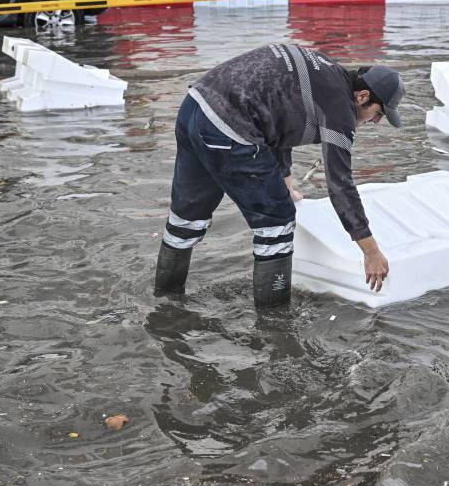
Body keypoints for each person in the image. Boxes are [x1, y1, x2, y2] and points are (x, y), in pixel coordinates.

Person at [155, 44, 405, 307]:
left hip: (194, 107)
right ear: (362, 96)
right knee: (277, 222)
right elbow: (340, 185)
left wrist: (285, 181)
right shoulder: (340, 108)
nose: (375, 122)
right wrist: (371, 251)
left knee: (187, 218)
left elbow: (279, 118)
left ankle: (164, 303)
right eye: (378, 114)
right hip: (228, 125)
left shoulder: (325, 69)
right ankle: (275, 325)